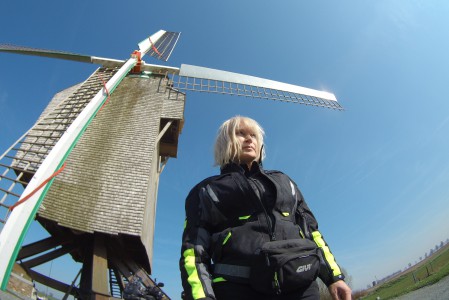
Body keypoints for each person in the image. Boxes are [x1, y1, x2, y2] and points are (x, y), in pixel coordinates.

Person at [180, 116, 352, 300]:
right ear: (225, 142)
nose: (249, 139)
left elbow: (312, 233)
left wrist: (334, 277)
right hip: (240, 290)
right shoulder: (206, 191)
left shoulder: (285, 181)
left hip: (302, 285)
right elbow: (193, 253)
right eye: (240, 133)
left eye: (253, 135)